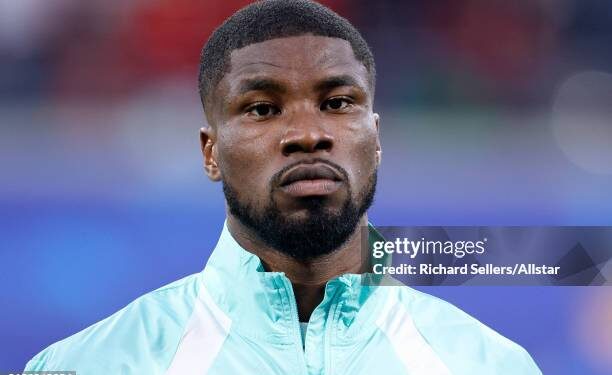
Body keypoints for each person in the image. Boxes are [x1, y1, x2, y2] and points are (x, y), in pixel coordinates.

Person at [25, 1, 542, 374]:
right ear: (211, 152)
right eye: (263, 109)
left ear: (376, 138)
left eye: (338, 103)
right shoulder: (90, 365)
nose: (308, 134)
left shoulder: (490, 364)